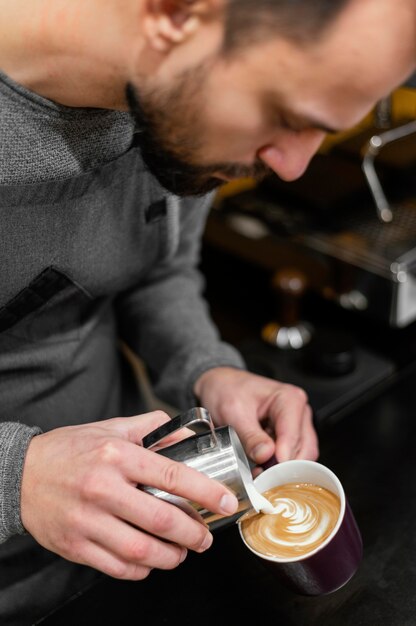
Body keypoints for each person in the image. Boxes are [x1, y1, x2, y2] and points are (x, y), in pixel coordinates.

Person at [0, 0, 415, 622]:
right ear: (175, 15)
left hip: (109, 546)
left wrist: (205, 367)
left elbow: (156, 268)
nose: (293, 165)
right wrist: (16, 479)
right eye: (284, 114)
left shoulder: (171, 102)